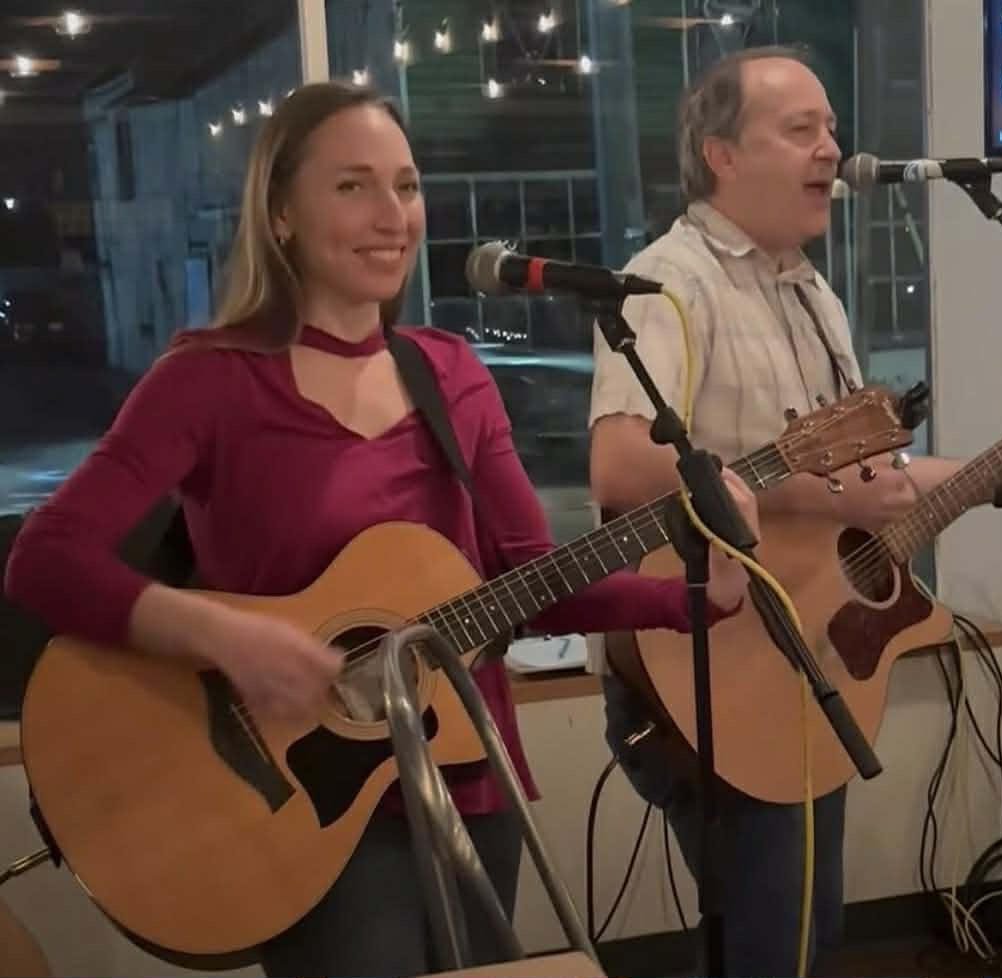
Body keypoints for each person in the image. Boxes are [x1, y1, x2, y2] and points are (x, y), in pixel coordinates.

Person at [3, 81, 759, 978]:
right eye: (352, 186)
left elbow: (529, 584)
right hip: (300, 809)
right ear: (280, 213)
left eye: (405, 185)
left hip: (468, 781)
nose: (391, 215)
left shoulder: (451, 374)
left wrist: (694, 597)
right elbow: (46, 559)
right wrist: (225, 636)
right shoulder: (208, 382)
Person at [587, 46, 1002, 977]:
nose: (832, 148)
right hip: (713, 666)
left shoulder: (815, 296)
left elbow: (873, 482)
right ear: (721, 156)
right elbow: (620, 465)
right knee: (770, 948)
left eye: (830, 126)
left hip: (806, 656)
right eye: (801, 130)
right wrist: (811, 487)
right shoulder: (670, 284)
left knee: (805, 940)